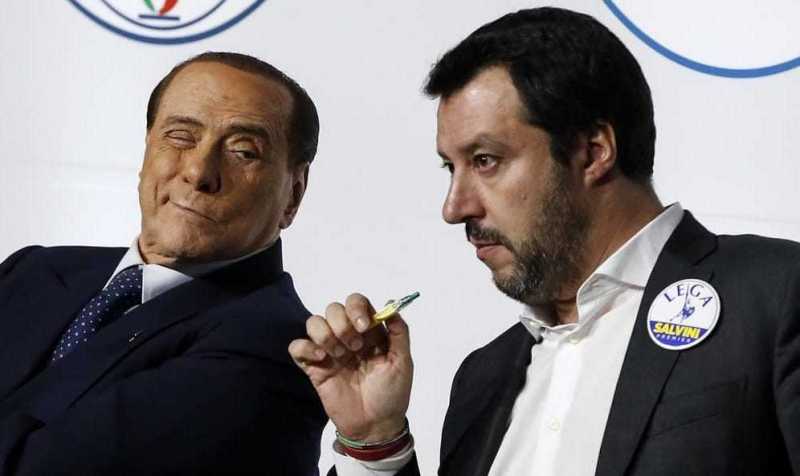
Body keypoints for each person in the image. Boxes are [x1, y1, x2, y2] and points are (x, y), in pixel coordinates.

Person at [289, 7, 800, 476]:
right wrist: (376, 444)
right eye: (450, 167)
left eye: (485, 161)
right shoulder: (482, 380)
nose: (454, 207)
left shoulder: (776, 294)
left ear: (592, 152)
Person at [0, 52, 326, 475]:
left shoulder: (278, 348)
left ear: (293, 194)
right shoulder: (34, 270)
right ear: (147, 150)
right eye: (180, 136)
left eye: (243, 152)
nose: (198, 171)